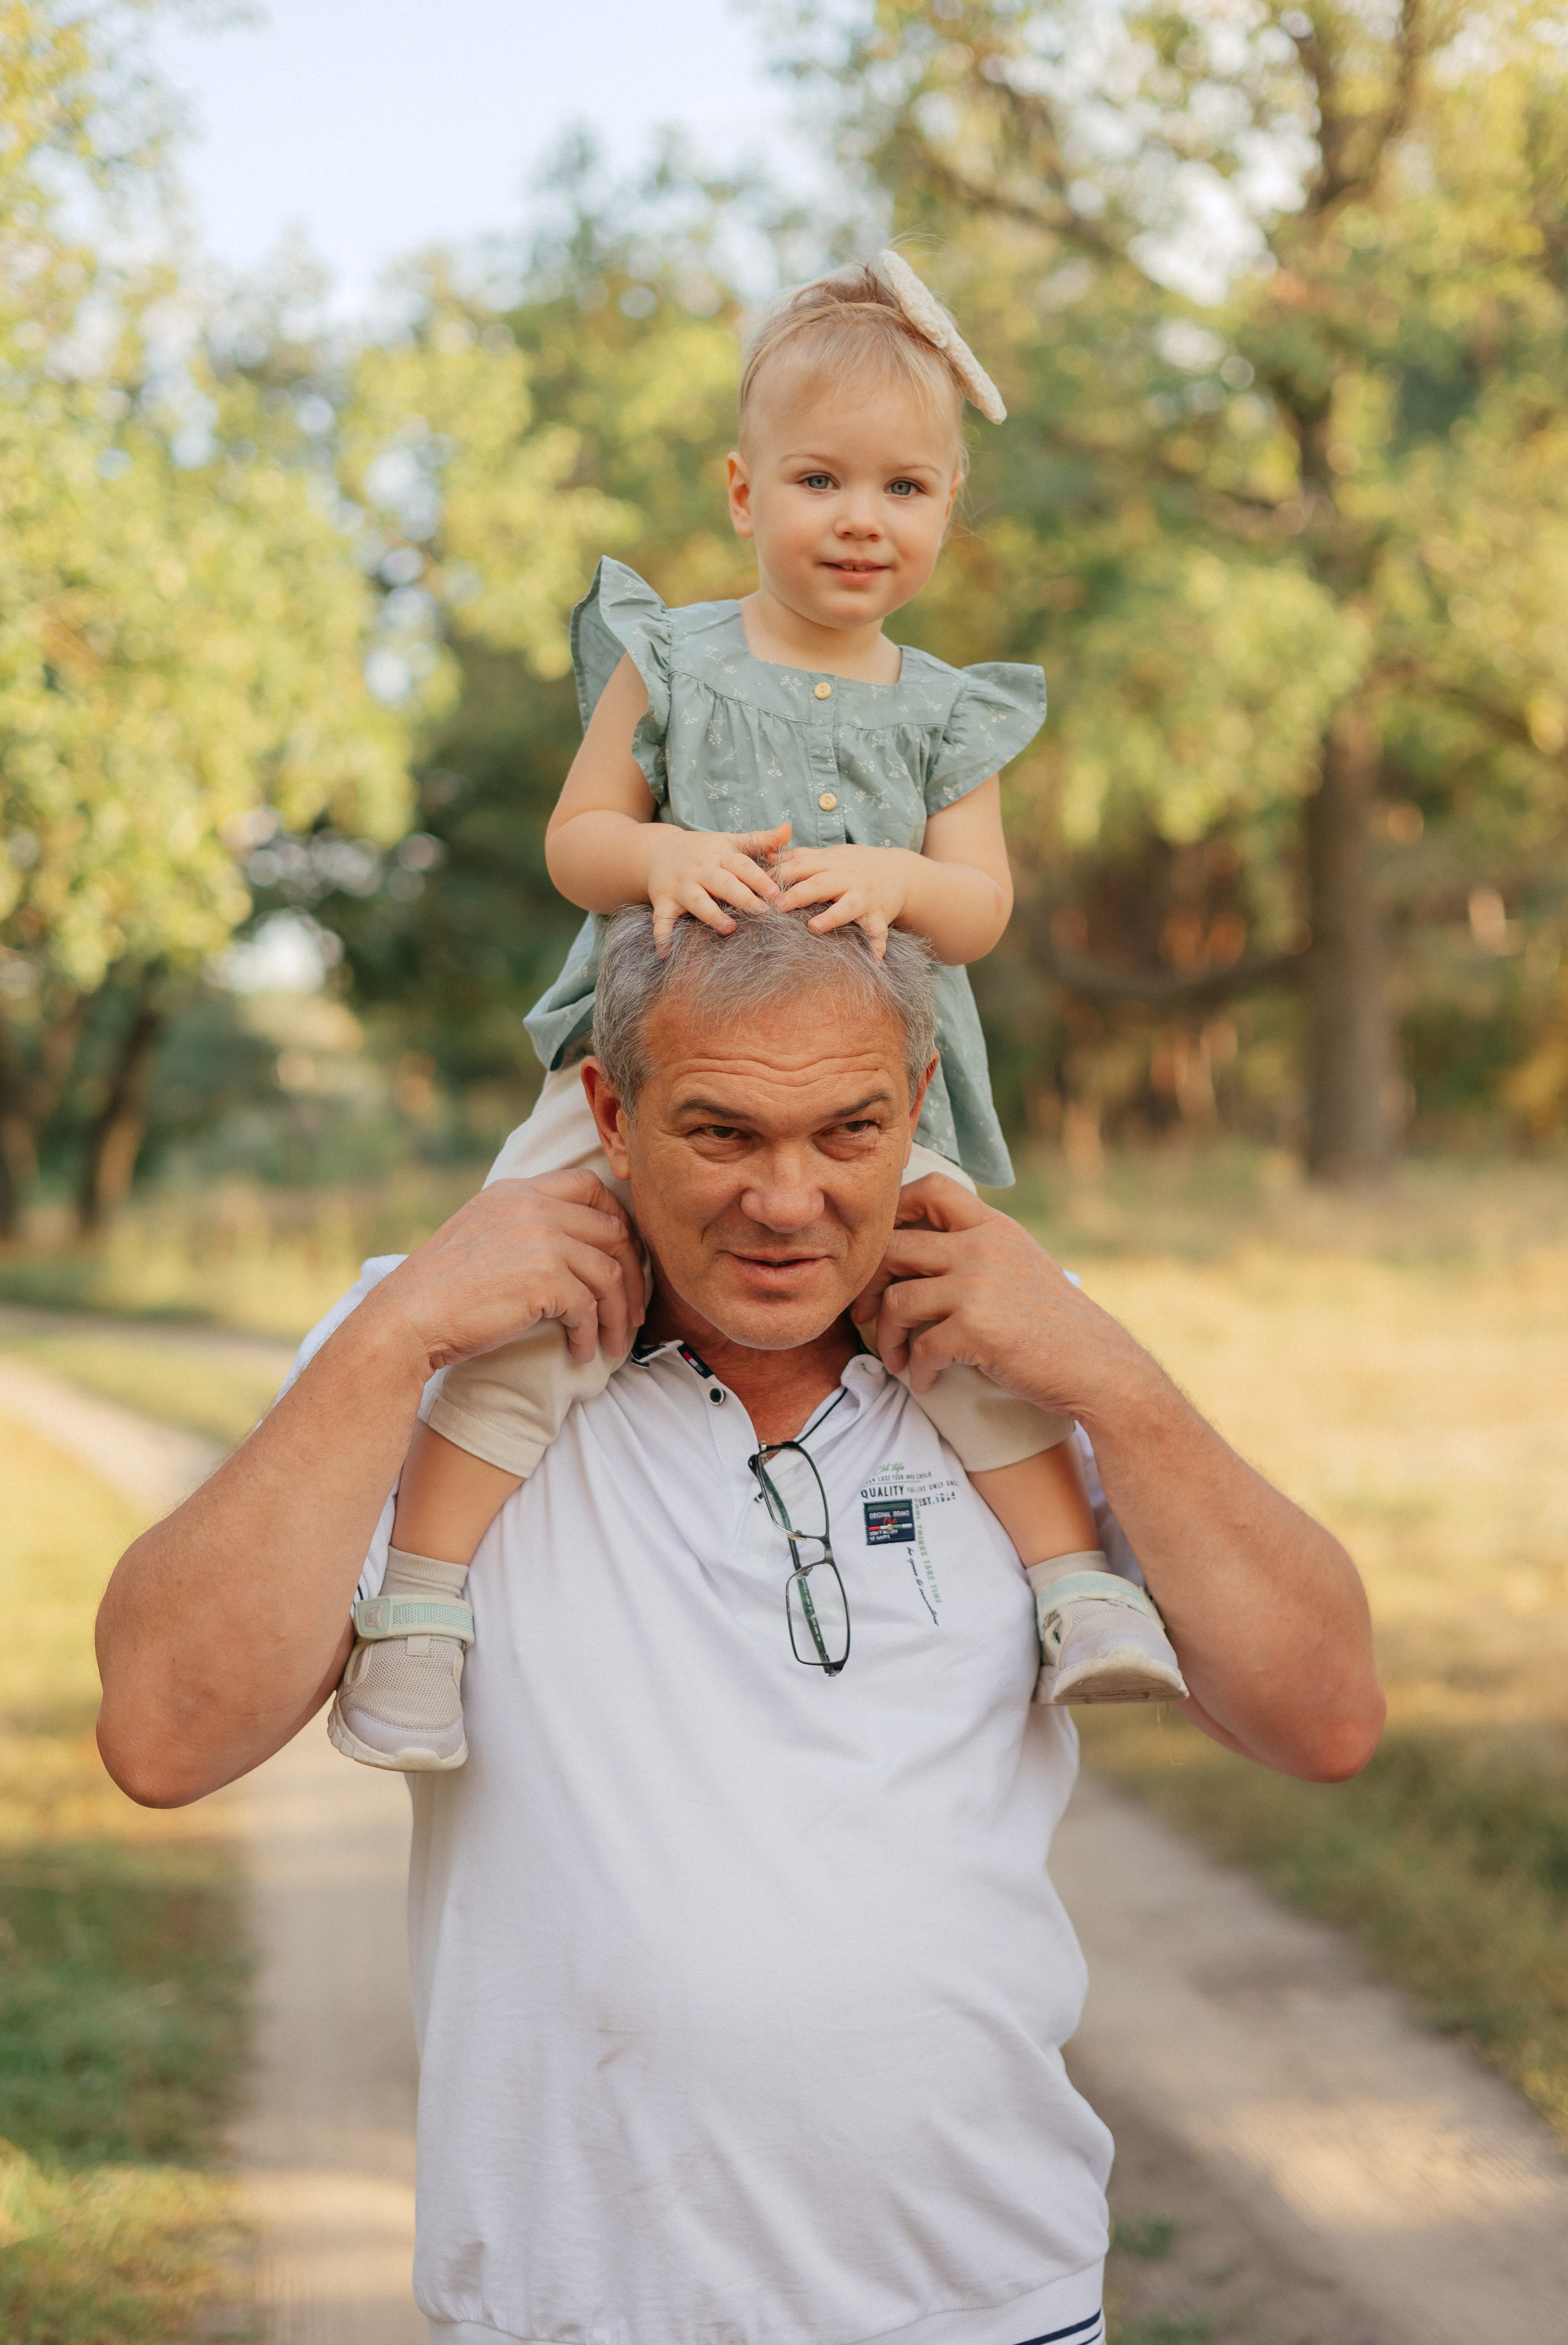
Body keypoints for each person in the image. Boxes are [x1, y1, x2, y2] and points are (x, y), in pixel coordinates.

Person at [95, 903, 1384, 2345]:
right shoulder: (444, 1359)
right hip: (571, 2318)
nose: (787, 1200)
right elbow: (163, 1731)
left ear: (918, 1113)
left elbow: (1321, 1712)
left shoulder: (1022, 1356)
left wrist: (1117, 1380)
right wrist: (397, 1335)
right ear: (609, 1110)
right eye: (720, 1133)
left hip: (987, 2309)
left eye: (849, 1131)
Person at [331, 249, 1185, 1778]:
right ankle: (420, 1610)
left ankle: (1074, 1585)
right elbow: (575, 842)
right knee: (532, 1296)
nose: (862, 519)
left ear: (943, 512)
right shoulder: (672, 657)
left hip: (871, 1091)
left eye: (906, 489)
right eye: (819, 478)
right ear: (743, 493)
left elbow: (975, 909)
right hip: (646, 1059)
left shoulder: (944, 711)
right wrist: (662, 851)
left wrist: (890, 875)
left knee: (963, 1307)